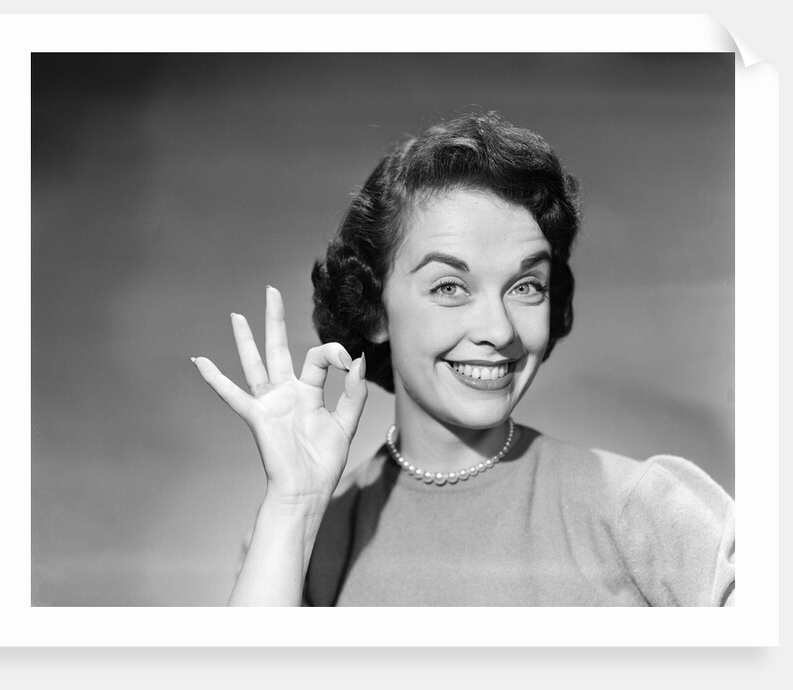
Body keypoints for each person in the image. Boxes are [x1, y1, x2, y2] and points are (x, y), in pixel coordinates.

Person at [192, 111, 735, 607]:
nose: (499, 330)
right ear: (374, 308)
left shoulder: (643, 510)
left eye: (526, 286)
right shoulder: (305, 539)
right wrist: (294, 504)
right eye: (450, 287)